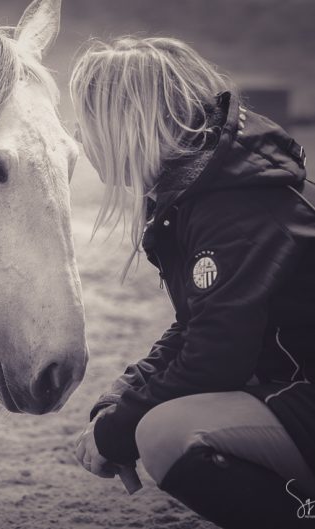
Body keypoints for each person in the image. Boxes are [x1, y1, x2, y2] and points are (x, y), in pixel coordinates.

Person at [70, 36, 315, 528]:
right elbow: (200, 326)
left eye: (87, 118)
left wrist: (120, 429)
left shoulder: (235, 203)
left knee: (166, 433)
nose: (79, 134)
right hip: (296, 385)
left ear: (127, 119)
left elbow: (214, 362)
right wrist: (123, 395)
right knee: (150, 415)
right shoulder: (208, 184)